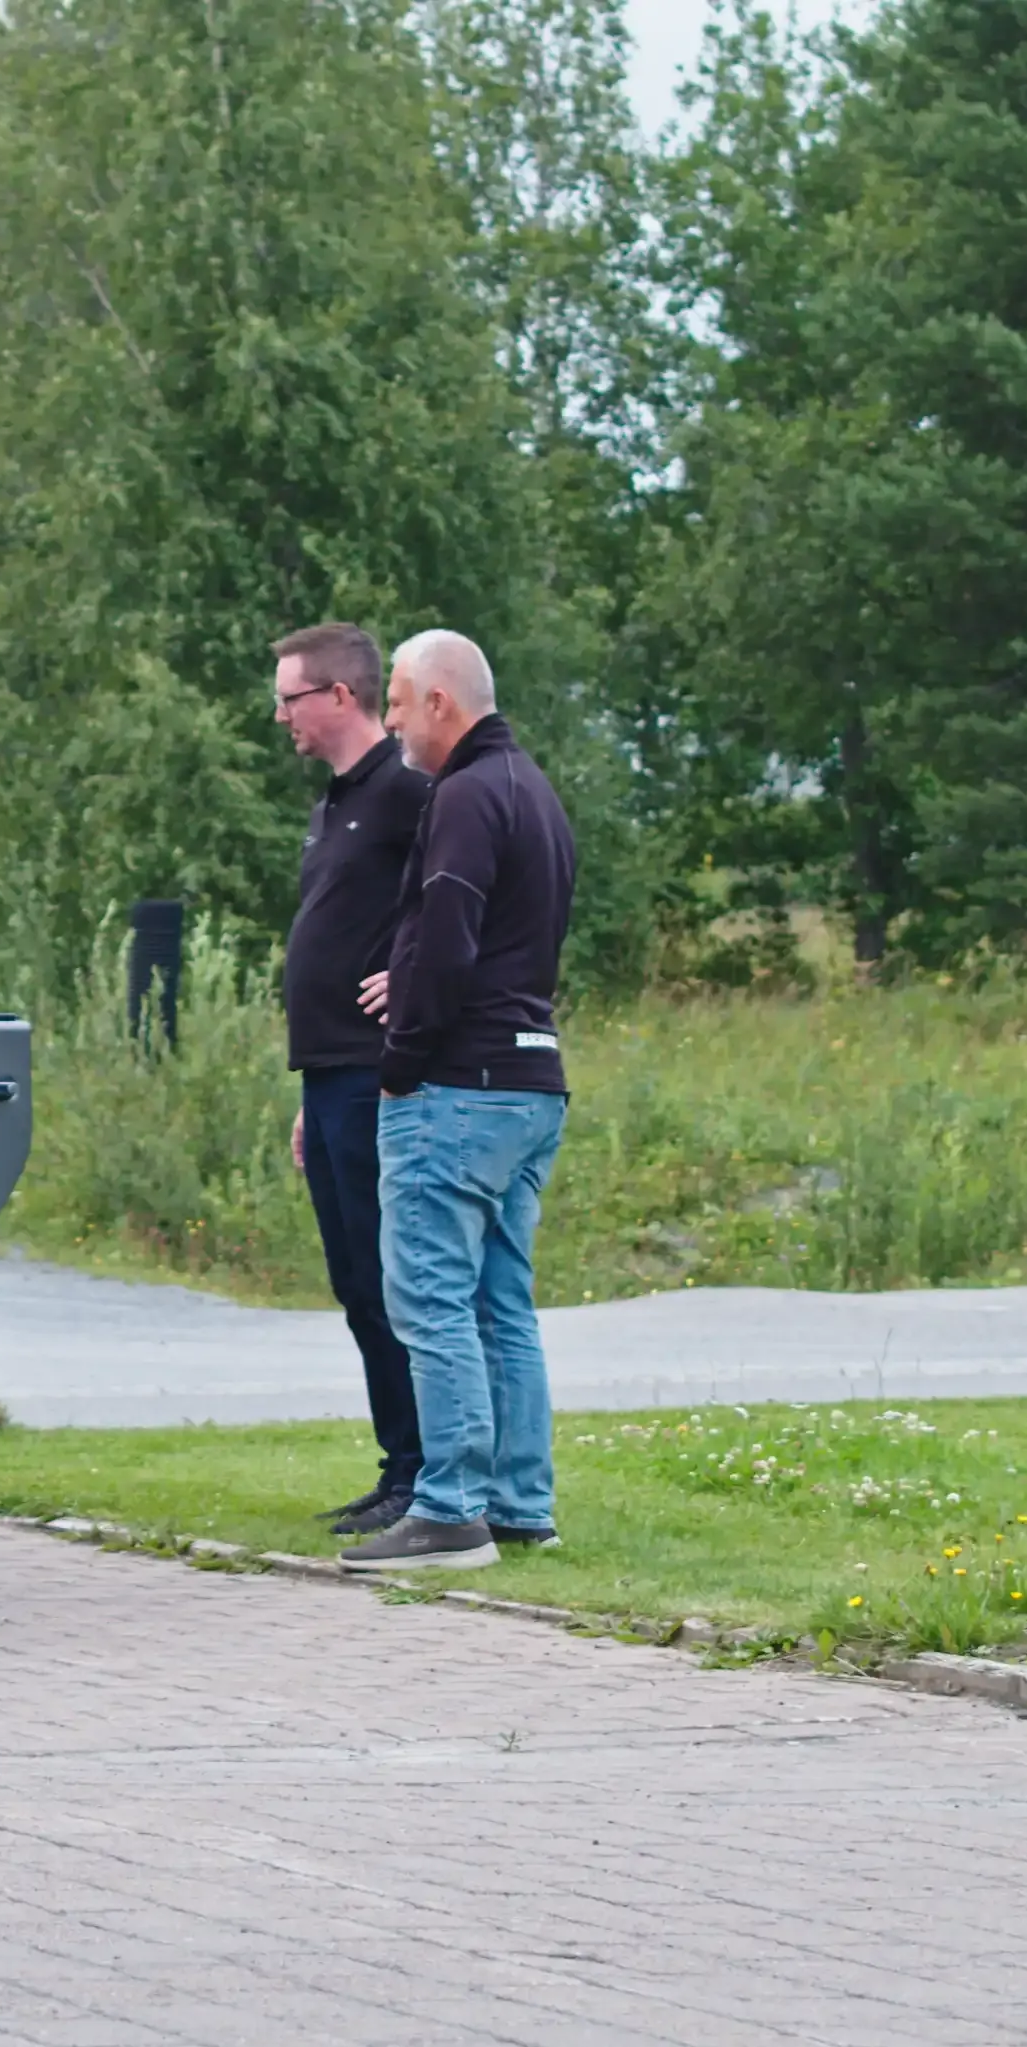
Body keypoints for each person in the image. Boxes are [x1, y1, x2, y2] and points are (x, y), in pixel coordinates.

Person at [336, 630, 578, 1574]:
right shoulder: (535, 792)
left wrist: (400, 1064)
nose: (389, 719)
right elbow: (502, 944)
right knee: (499, 1302)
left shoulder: (466, 796)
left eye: (395, 700)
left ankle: (448, 1512)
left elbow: (445, 940)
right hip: (530, 1080)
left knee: (431, 1299)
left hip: (460, 1087)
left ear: (439, 700)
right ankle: (522, 1504)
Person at [270, 623, 431, 1536]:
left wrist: (411, 974)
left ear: (338, 696)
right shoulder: (336, 804)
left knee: (390, 1277)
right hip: (327, 1075)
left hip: (379, 1073)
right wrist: (305, 1095)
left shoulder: (410, 793)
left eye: (290, 698)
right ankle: (394, 1463)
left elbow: (453, 897)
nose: (281, 717)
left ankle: (426, 1470)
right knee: (352, 1281)